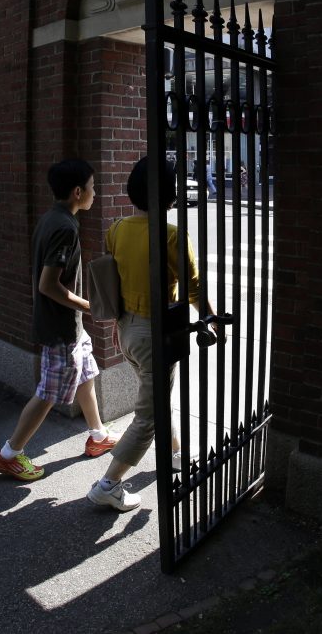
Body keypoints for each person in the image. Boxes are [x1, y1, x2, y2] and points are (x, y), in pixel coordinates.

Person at [86, 157, 221, 511]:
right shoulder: (172, 234)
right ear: (170, 193)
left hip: (128, 329)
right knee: (147, 415)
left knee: (155, 398)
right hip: (155, 335)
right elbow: (193, 287)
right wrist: (213, 318)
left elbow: (113, 282)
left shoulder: (115, 228)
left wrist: (118, 325)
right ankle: (109, 483)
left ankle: (175, 455)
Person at [0, 159, 117, 481]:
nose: (95, 193)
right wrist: (89, 305)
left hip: (66, 323)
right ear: (78, 192)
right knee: (48, 392)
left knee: (85, 371)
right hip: (61, 326)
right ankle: (9, 454)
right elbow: (48, 284)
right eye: (92, 187)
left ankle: (98, 436)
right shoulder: (64, 228)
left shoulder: (52, 218)